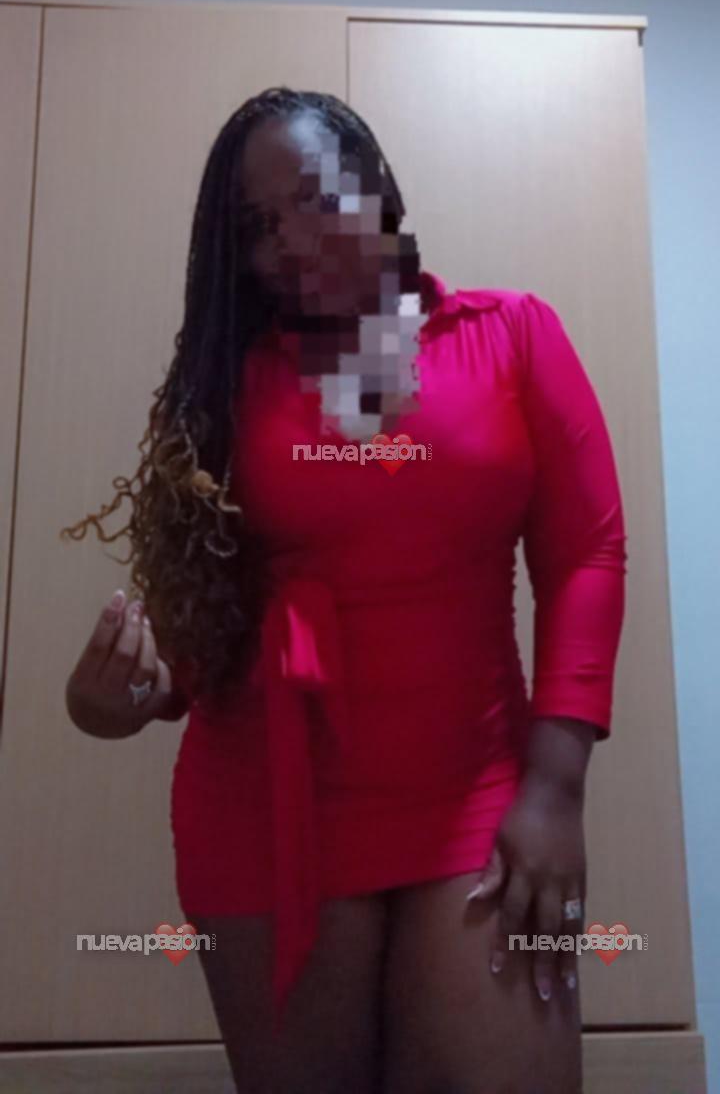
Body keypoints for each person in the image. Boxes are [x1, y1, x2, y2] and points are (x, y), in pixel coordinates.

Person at [63, 85, 627, 1094]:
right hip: (267, 813)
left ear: (377, 185)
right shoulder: (225, 385)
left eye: (314, 198)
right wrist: (122, 694)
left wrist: (556, 786)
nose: (288, 239)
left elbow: (586, 553)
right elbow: (198, 633)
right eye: (258, 226)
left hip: (479, 793)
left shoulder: (510, 334)